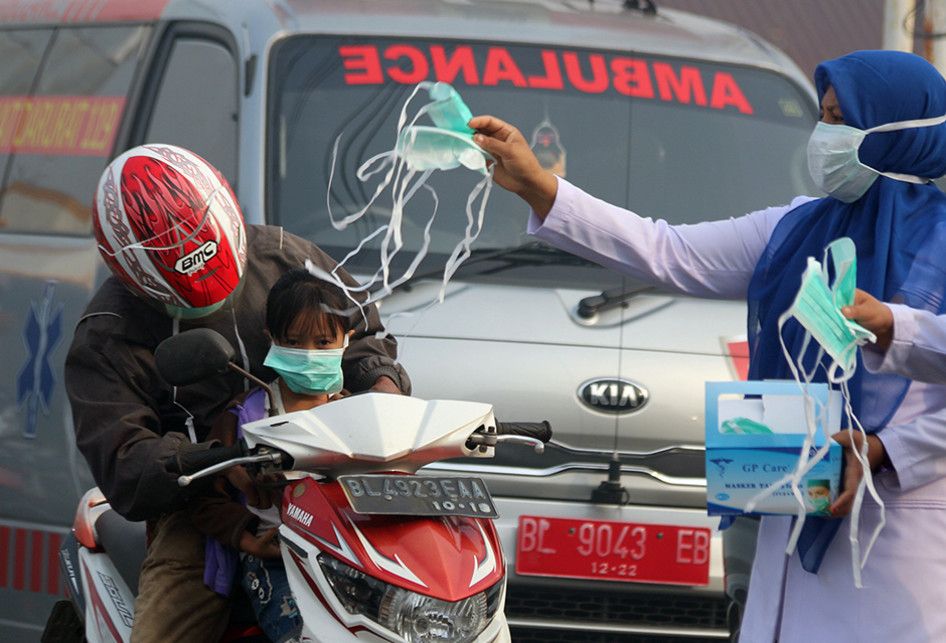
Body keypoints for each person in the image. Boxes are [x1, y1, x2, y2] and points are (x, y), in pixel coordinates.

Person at [470, 50, 946, 642]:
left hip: (897, 533)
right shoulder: (795, 226)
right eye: (822, 117)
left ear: (891, 133)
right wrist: (541, 187)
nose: (824, 136)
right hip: (794, 507)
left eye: (839, 120)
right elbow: (668, 251)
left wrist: (888, 446)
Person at [64, 144, 411, 642]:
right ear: (138, 279)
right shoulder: (108, 333)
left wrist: (383, 392)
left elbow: (364, 337)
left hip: (332, 483)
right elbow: (124, 460)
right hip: (201, 511)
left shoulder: (288, 258)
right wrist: (215, 462)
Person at [187, 268, 352, 643]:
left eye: (324, 342)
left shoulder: (359, 415)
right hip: (275, 557)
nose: (309, 355)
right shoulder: (246, 416)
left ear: (347, 340)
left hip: (347, 559)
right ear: (272, 340)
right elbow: (204, 497)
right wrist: (248, 541)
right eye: (294, 342)